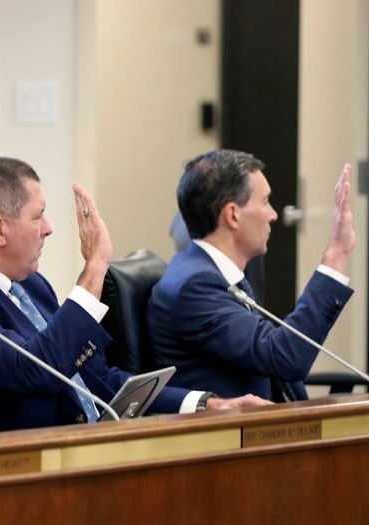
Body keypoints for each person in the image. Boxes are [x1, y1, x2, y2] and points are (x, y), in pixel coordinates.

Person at [0, 157, 268, 438]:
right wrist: (95, 268)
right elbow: (37, 371)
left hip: (82, 457)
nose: (48, 228)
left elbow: (98, 380)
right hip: (8, 486)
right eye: (38, 216)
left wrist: (208, 404)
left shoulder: (29, 285)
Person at [147, 149, 356, 401]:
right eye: (265, 201)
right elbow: (285, 356)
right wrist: (335, 255)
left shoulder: (213, 273)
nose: (274, 214)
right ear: (233, 214)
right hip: (232, 437)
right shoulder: (195, 286)